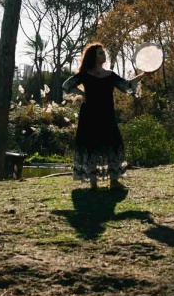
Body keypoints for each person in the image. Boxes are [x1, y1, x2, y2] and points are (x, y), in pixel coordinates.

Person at [61, 42, 148, 189]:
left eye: (103, 52)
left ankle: (114, 181)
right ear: (93, 57)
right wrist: (81, 93)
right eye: (100, 53)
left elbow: (126, 86)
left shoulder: (110, 75)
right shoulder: (84, 74)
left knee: (112, 143)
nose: (104, 54)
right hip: (89, 115)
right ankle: (93, 182)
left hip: (107, 114)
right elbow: (66, 86)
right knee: (91, 145)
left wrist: (143, 75)